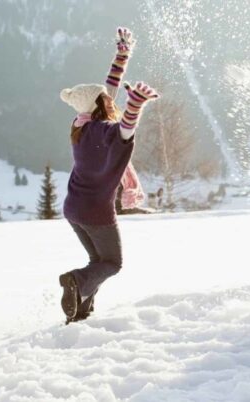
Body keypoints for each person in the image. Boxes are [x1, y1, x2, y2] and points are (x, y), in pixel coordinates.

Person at [58, 27, 159, 324]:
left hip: (73, 208)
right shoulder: (103, 134)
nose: (108, 97)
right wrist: (136, 105)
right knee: (113, 263)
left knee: (97, 262)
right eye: (105, 98)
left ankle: (81, 310)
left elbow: (109, 90)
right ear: (102, 105)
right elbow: (125, 131)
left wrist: (122, 55)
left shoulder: (82, 125)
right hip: (95, 212)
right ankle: (75, 282)